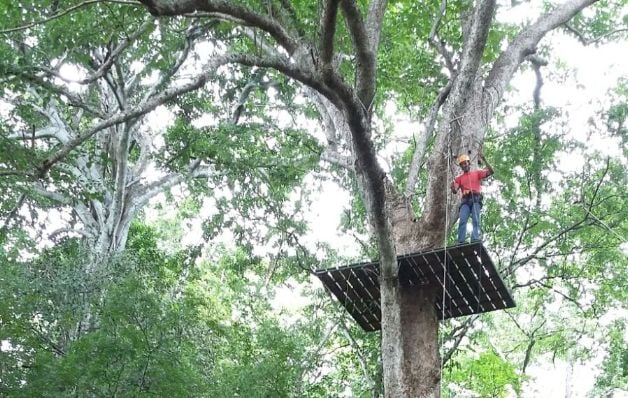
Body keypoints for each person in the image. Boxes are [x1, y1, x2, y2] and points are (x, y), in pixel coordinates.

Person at [450, 152, 494, 244]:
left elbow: (491, 171)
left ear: (469, 163)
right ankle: (461, 241)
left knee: (476, 220)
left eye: (465, 163)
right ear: (461, 167)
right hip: (465, 201)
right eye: (462, 164)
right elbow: (455, 190)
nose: (464, 165)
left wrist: (484, 160)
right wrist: (452, 187)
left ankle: (475, 238)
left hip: (475, 199)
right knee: (462, 220)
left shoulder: (477, 173)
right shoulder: (459, 178)